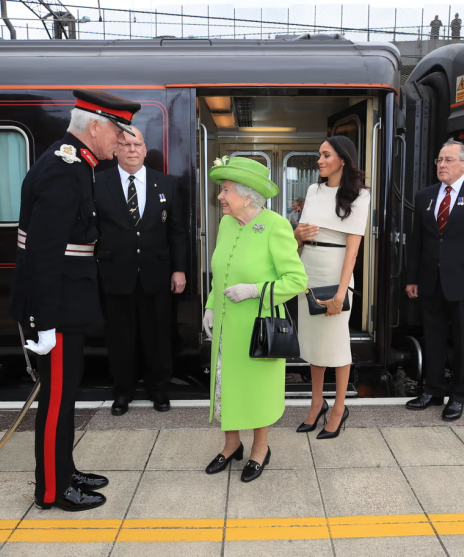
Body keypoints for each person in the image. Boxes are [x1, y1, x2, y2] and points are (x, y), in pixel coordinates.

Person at [9, 90, 141, 512]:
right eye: (118, 133)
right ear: (95, 127)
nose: (121, 142)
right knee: (57, 401)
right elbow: (43, 253)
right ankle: (52, 489)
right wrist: (44, 321)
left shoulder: (75, 163)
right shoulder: (64, 169)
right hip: (58, 307)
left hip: (67, 301)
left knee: (65, 396)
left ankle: (64, 469)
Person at [201, 156, 307, 482]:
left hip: (259, 327)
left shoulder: (275, 225)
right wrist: (211, 305)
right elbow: (220, 271)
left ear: (247, 196)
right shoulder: (227, 223)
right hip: (226, 326)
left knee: (258, 390)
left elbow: (297, 280)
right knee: (226, 385)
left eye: (226, 190)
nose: (220, 196)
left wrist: (253, 290)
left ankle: (261, 449)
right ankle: (231, 444)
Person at [405, 138, 464, 421]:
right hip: (430, 282)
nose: (442, 164)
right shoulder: (425, 196)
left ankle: (458, 397)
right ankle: (433, 392)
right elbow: (417, 241)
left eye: (448, 160)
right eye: (439, 160)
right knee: (433, 339)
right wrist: (412, 278)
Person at [95, 126, 188, 416]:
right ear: (115, 151)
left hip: (156, 275)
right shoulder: (98, 183)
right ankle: (122, 392)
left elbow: (177, 232)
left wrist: (179, 270)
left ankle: (158, 390)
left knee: (157, 336)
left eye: (137, 145)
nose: (131, 150)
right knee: (120, 338)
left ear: (145, 150)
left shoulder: (167, 184)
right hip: (114, 275)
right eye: (125, 145)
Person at [293, 136, 370, 439]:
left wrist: (341, 293)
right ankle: (316, 404)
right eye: (319, 155)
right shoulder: (313, 190)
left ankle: (339, 408)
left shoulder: (360, 195)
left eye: (326, 155)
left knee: (337, 345)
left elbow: (353, 250)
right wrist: (297, 235)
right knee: (313, 345)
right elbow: (299, 237)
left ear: (343, 159)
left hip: (336, 272)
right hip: (308, 270)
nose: (320, 161)